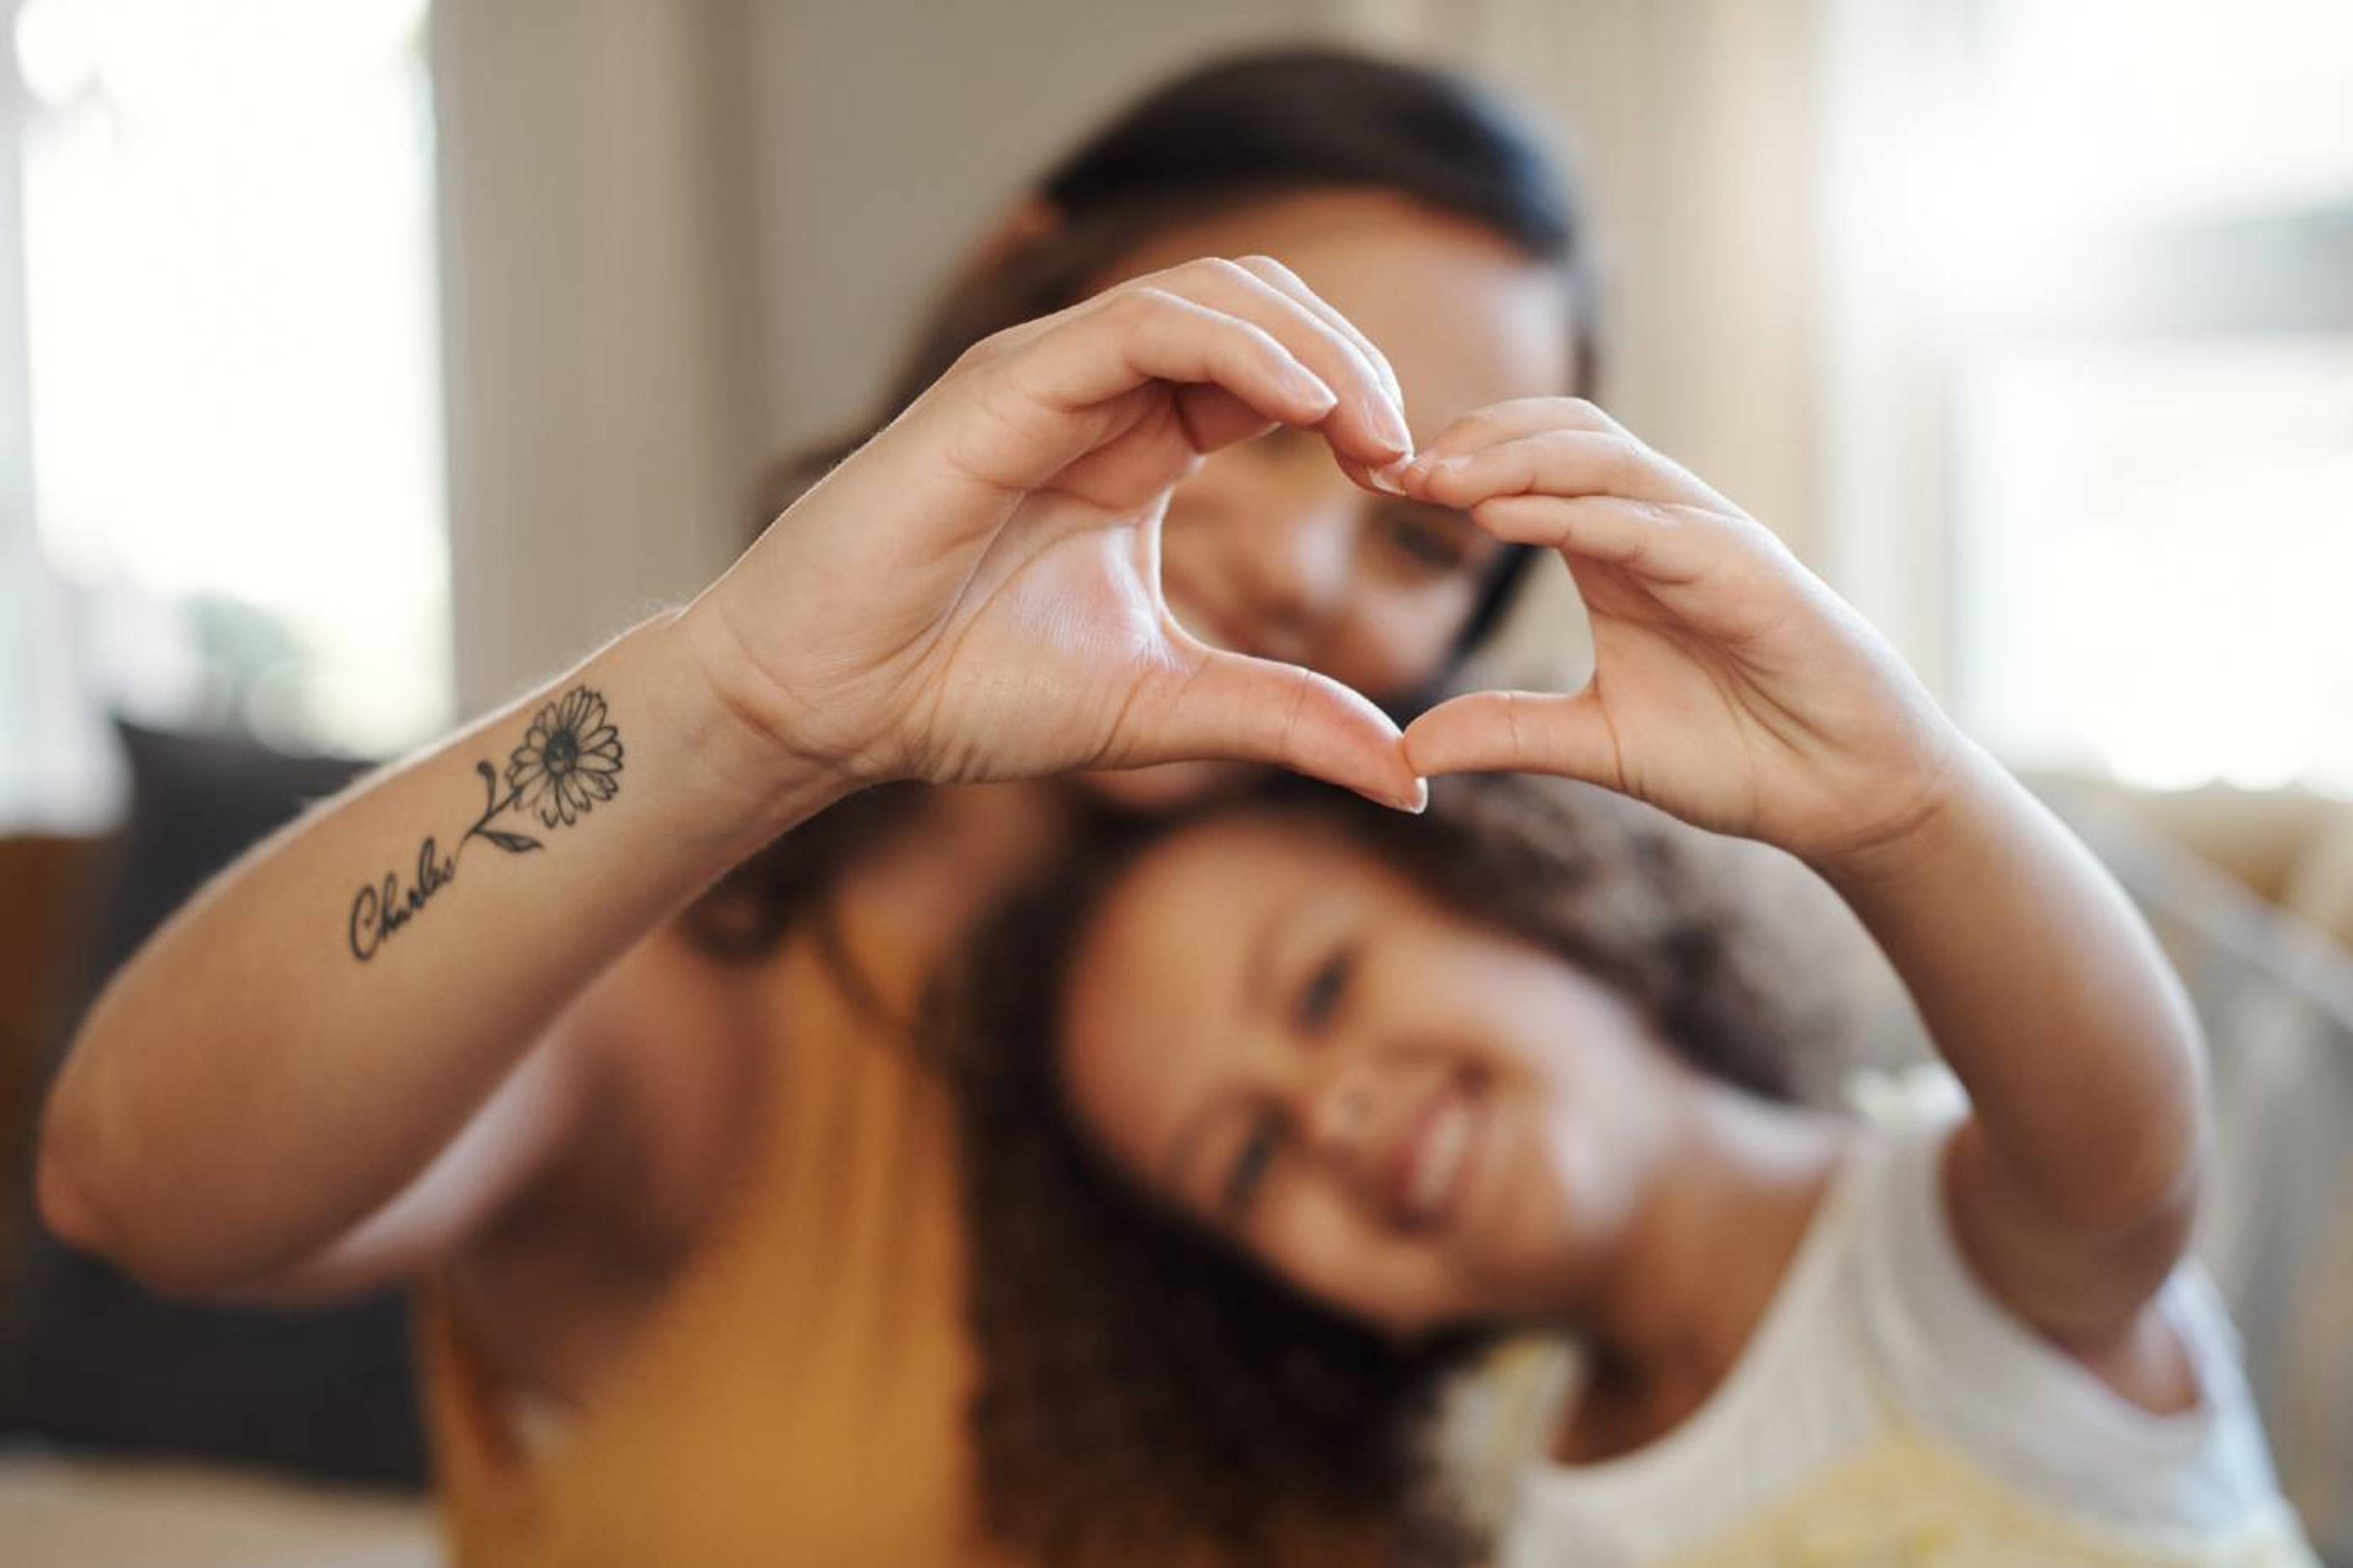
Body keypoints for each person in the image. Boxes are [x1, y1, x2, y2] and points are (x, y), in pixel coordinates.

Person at [35, 48, 1605, 1566]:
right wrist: (738, 699)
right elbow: (134, 1179)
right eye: (1254, 411)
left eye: (1420, 549)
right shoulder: (679, 987)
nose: (1301, 568)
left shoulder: (1426, 1064)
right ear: (1024, 300)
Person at [946, 399, 2323, 1566]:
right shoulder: (1501, 1485)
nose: (1333, 1114)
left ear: (1530, 895)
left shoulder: (1940, 1260)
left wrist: (1896, 806)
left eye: (1320, 989)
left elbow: (2127, 1162)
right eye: (1248, 1159)